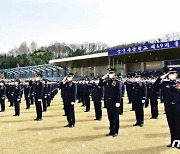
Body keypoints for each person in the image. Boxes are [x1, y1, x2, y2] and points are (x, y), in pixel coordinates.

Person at [154, 68, 180, 149]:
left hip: (178, 107)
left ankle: (178, 142)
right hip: (168, 107)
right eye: (170, 73)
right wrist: (160, 78)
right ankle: (173, 141)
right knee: (171, 125)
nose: (172, 74)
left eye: (174, 73)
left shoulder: (179, 83)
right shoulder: (165, 83)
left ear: (177, 74)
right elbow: (155, 87)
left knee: (178, 125)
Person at [99, 68, 122, 137]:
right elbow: (100, 85)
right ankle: (111, 130)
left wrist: (118, 101)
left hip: (115, 102)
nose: (110, 74)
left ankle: (116, 131)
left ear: (114, 73)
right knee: (110, 117)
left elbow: (119, 93)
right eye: (109, 73)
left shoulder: (117, 82)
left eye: (111, 73)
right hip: (108, 102)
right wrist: (103, 78)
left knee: (115, 117)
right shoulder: (107, 81)